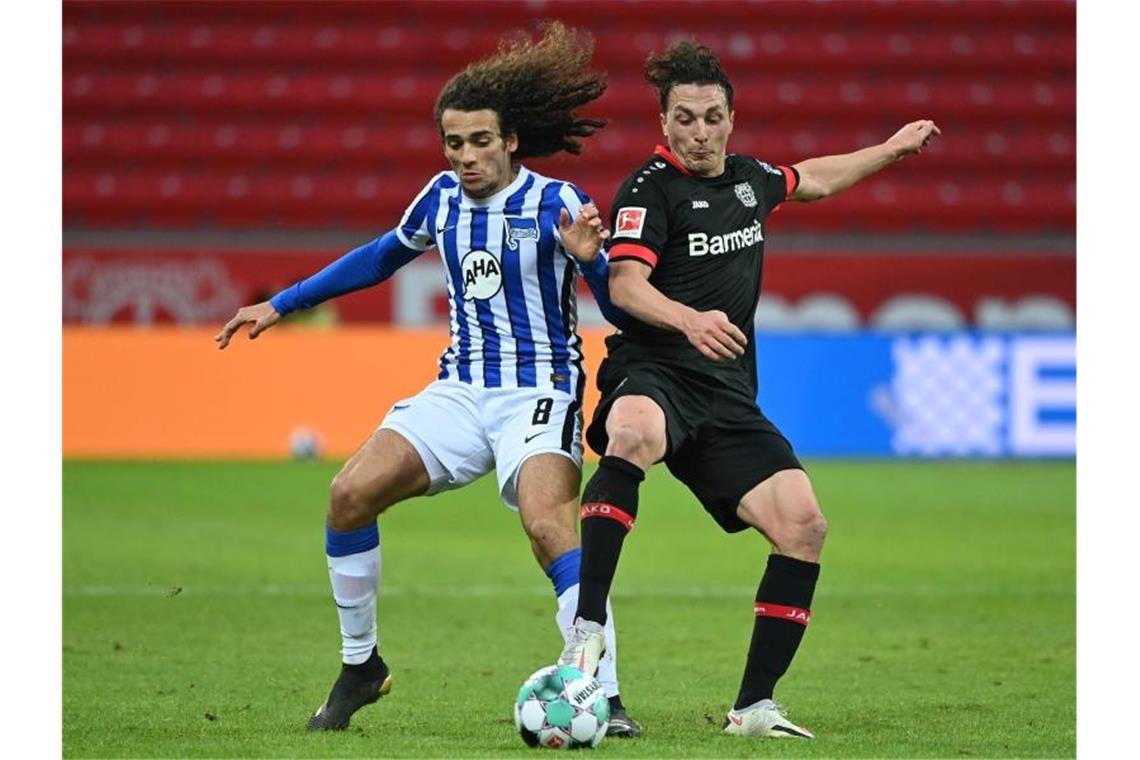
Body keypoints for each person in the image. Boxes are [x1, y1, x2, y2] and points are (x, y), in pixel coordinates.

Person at [214, 22, 643, 736]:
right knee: (349, 493)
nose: (466, 156)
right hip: (460, 389)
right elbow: (379, 257)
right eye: (453, 142)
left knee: (546, 524)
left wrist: (593, 261)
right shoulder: (439, 199)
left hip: (540, 391)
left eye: (480, 141)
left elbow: (615, 293)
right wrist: (282, 304)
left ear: (510, 140)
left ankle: (604, 689)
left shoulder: (557, 202)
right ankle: (361, 667)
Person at [557, 39, 940, 739]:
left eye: (710, 118)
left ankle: (753, 707)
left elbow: (812, 178)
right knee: (633, 431)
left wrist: (889, 150)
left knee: (804, 525)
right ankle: (586, 629)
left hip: (727, 394)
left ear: (731, 120)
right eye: (684, 119)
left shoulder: (748, 179)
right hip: (655, 371)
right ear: (663, 123)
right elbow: (625, 283)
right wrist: (688, 319)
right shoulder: (649, 190)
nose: (698, 133)